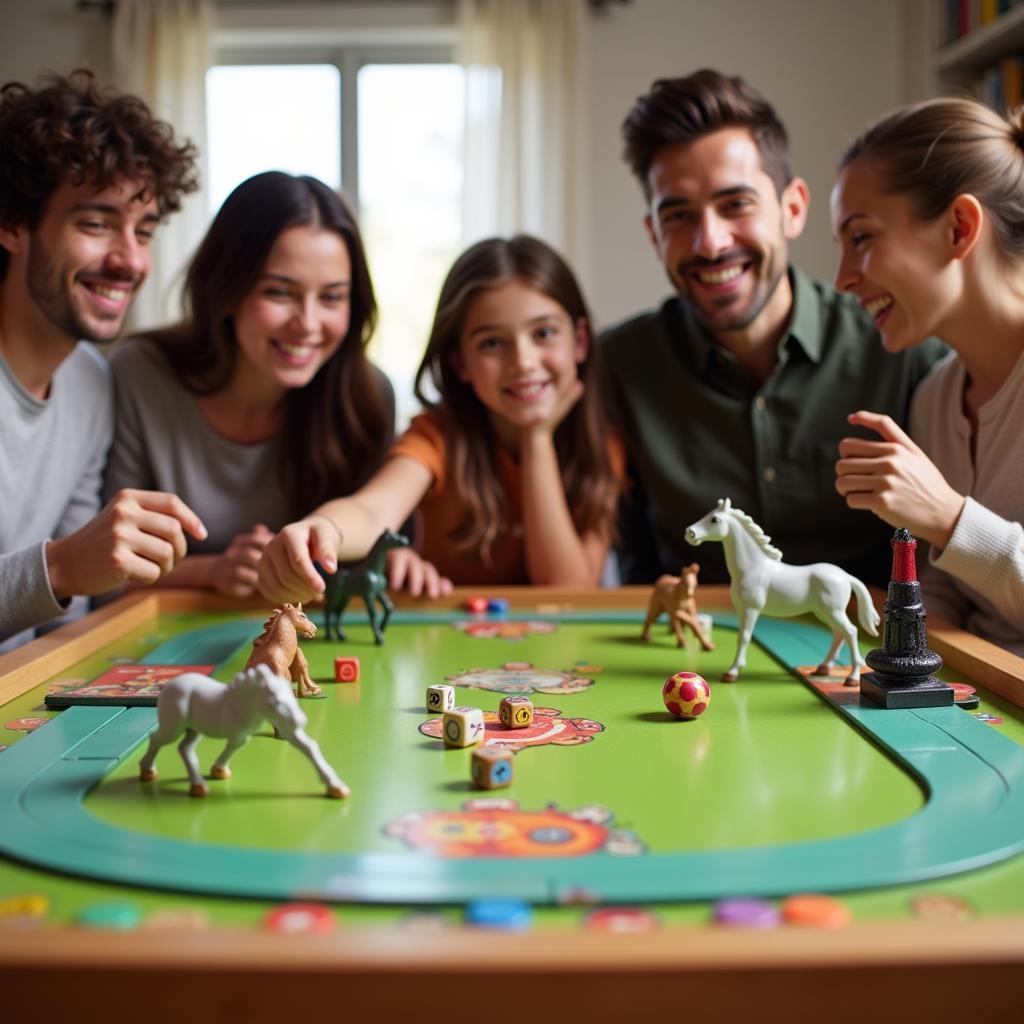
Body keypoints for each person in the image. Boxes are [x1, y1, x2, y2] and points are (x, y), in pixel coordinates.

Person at [602, 69, 946, 587]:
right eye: (678, 216)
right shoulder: (618, 367)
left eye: (735, 204)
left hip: (869, 651)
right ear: (654, 234)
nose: (710, 243)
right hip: (695, 656)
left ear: (793, 208)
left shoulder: (902, 344)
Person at [102, 171, 445, 598]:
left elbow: (366, 531)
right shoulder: (140, 374)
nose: (308, 324)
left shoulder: (367, 395)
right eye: (280, 292)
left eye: (332, 297)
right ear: (226, 286)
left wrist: (392, 559)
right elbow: (101, 574)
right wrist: (212, 572)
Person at [256, 234, 624, 602]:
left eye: (543, 333)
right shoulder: (438, 435)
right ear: (460, 361)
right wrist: (322, 529)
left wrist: (537, 438)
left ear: (580, 341)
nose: (523, 361)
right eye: (492, 343)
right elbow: (372, 511)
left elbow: (564, 591)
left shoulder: (601, 447)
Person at [0, 70, 206, 652]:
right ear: (12, 223)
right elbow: (62, 577)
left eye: (143, 231)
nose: (129, 261)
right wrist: (60, 567)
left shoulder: (93, 380)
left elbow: (66, 621)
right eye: (95, 223)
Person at [832, 97, 1024, 655]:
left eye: (861, 238)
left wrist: (948, 516)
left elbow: (951, 535)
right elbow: (945, 589)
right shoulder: (936, 397)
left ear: (960, 228)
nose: (843, 277)